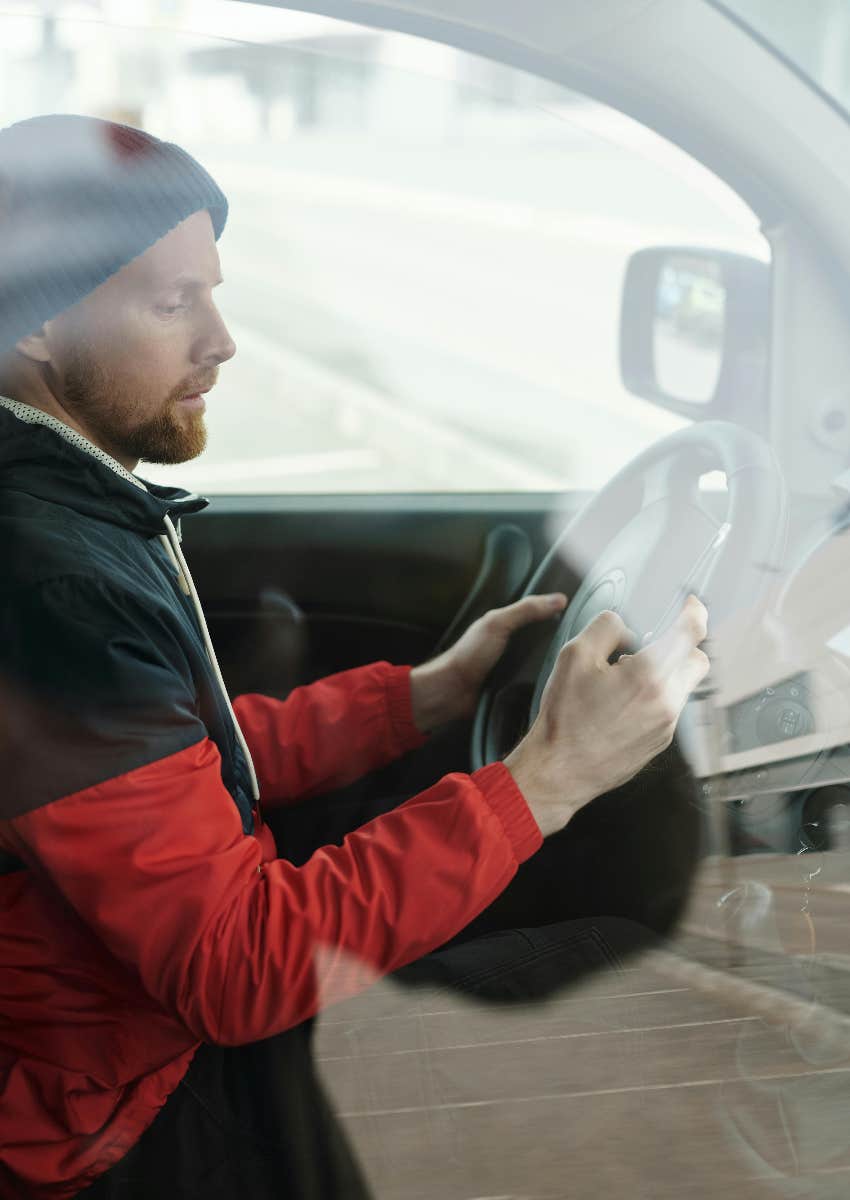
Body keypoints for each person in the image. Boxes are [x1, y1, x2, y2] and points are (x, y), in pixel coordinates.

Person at [0, 114, 709, 1199]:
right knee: (658, 996)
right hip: (116, 1116)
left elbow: (182, 766)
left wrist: (422, 700)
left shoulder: (69, 506)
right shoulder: (51, 578)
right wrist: (551, 776)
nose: (222, 340)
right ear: (43, 319)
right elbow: (233, 970)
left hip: (120, 1043)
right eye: (172, 301)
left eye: (215, 292)